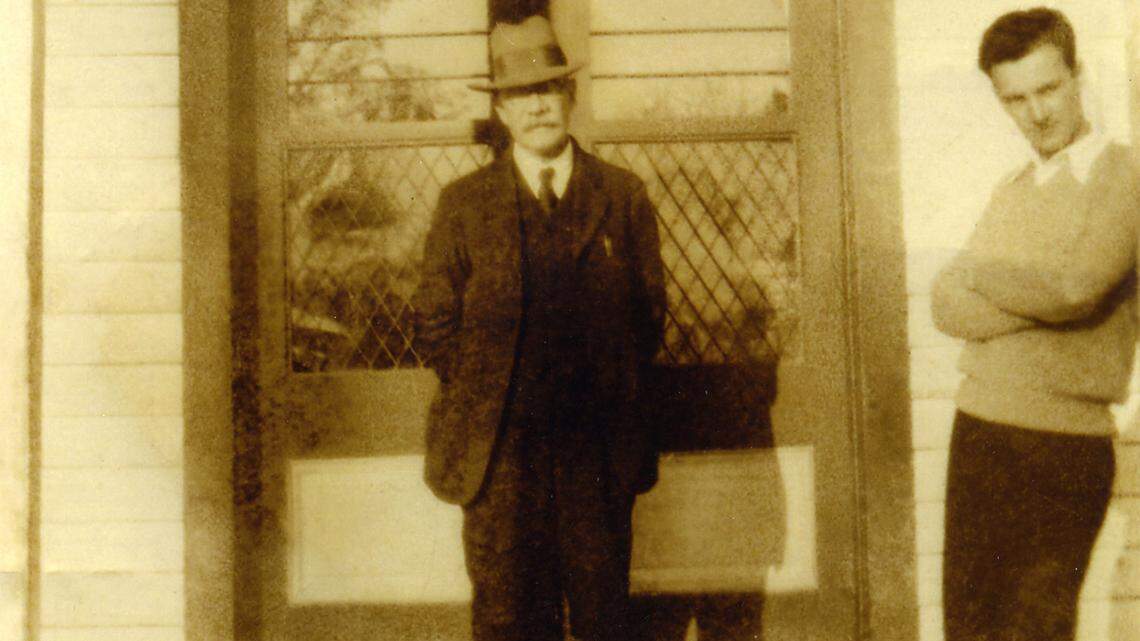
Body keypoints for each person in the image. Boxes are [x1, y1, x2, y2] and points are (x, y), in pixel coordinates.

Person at [411, 15, 666, 641]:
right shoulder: (464, 204)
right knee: (507, 621)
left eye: (547, 91)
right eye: (519, 95)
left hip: (595, 451)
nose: (536, 107)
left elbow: (648, 314)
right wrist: (491, 390)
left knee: (604, 616)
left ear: (570, 97)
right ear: (500, 110)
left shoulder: (622, 195)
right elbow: (434, 320)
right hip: (499, 458)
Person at [930, 7, 1138, 641]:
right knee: (969, 629)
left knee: (1034, 632)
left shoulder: (1122, 180)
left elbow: (1076, 289)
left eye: (1048, 89)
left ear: (1079, 76)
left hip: (1061, 449)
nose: (1037, 113)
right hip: (980, 434)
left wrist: (980, 272)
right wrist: (1020, 287)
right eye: (1015, 99)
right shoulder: (1013, 187)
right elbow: (944, 303)